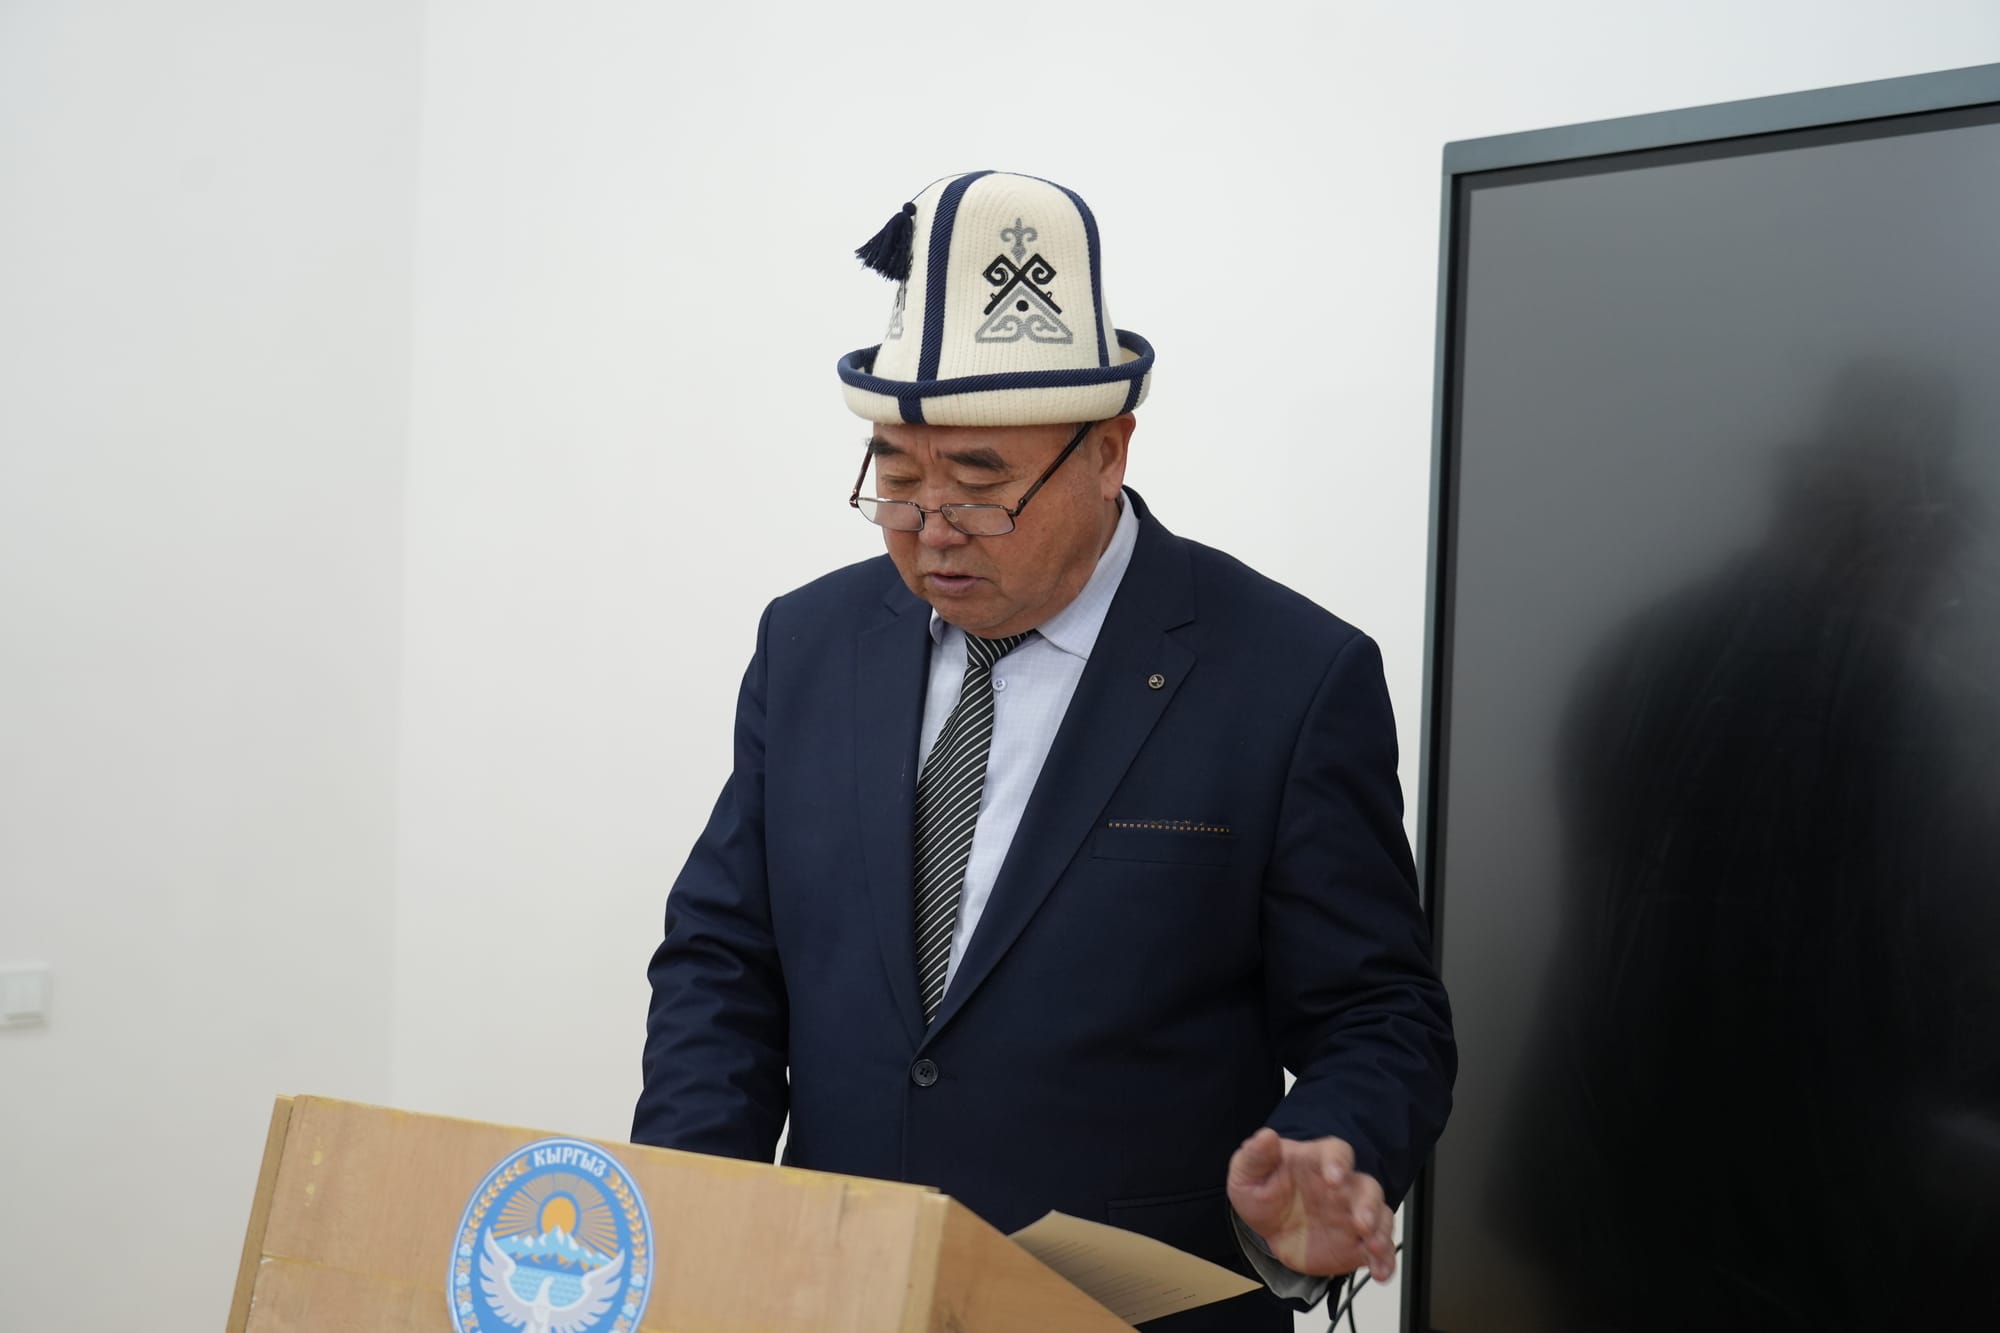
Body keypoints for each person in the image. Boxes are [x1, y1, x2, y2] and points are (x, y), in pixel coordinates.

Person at [633, 170, 1455, 1330]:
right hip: (834, 1296)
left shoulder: (1288, 677)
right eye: (895, 480)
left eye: (979, 485)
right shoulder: (810, 643)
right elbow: (724, 959)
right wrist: (688, 1222)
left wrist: (1332, 1148)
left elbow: (1377, 1013)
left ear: (1108, 451)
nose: (930, 531)